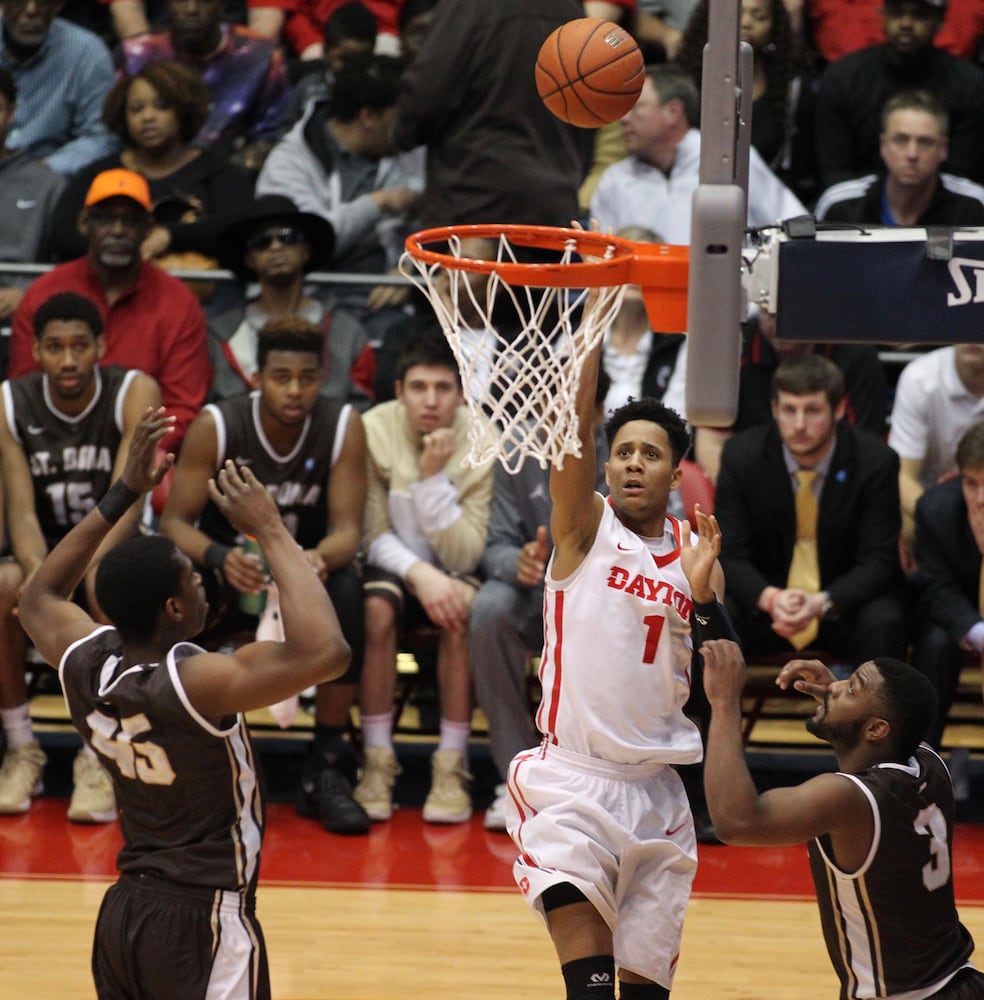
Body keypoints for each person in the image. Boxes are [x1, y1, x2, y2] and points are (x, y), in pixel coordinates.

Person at [18, 410, 351, 999]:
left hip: (123, 916)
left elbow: (40, 594)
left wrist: (126, 490)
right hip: (204, 918)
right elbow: (327, 652)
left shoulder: (87, 663)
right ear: (173, 610)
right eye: (193, 581)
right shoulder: (199, 682)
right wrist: (271, 530)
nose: (203, 583)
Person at [504, 311, 735, 999]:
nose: (634, 461)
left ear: (676, 472)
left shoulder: (699, 555)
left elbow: (726, 674)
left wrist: (702, 600)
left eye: (652, 453)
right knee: (589, 989)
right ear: (609, 463)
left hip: (660, 795)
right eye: (624, 450)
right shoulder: (583, 528)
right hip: (572, 784)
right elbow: (571, 431)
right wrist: (591, 327)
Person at [159, 317, 370, 836]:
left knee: (348, 588)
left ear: (322, 377)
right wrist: (217, 555)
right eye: (281, 377)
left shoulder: (343, 424)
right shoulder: (218, 423)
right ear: (257, 377)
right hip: (231, 570)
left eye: (306, 377)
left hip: (304, 574)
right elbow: (174, 521)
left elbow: (348, 532)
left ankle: (327, 764)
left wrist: (313, 560)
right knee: (180, 590)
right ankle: (189, 759)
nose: (294, 389)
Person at [699, 638, 984, 1000]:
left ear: (876, 729)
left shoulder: (849, 799)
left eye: (850, 688)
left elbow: (736, 822)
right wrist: (841, 700)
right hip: (966, 982)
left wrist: (723, 704)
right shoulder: (929, 763)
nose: (833, 687)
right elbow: (886, 725)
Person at [0, 291, 161, 821]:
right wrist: (39, 581)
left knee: (107, 589)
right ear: (36, 351)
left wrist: (86, 573)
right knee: (5, 591)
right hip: (44, 549)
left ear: (100, 346)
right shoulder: (9, 402)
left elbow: (129, 496)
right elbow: (21, 513)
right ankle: (23, 748)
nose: (67, 360)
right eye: (54, 348)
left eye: (78, 347)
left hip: (116, 541)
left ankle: (103, 754)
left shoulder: (133, 391)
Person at [354, 332, 493, 825]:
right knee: (375, 610)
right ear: (398, 390)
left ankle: (450, 766)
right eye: (418, 387)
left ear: (460, 395)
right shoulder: (371, 429)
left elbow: (468, 550)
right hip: (393, 561)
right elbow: (370, 534)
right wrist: (419, 575)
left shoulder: (484, 439)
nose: (431, 400)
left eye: (442, 388)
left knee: (459, 610)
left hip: (455, 570)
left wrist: (432, 480)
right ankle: (375, 761)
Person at [470, 369, 611, 832]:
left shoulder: (624, 455)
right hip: (537, 598)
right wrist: (519, 563)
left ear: (598, 413)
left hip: (603, 599)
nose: (558, 421)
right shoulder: (515, 451)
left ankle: (592, 779)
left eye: (571, 412)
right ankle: (516, 779)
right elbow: (495, 545)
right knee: (490, 607)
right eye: (550, 410)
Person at [714, 352, 908, 666]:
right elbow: (730, 553)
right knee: (718, 614)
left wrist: (820, 603)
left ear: (840, 409)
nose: (800, 424)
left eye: (813, 410)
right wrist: (772, 599)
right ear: (774, 409)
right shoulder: (742, 457)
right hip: (766, 606)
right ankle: (712, 716)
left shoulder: (876, 462)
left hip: (840, 605)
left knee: (885, 620)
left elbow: (879, 560)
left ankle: (878, 715)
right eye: (789, 410)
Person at [9, 168, 210, 452]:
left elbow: (181, 409)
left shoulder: (178, 301)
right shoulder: (45, 292)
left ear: (148, 229)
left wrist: (130, 456)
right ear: (83, 223)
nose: (117, 230)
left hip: (142, 457)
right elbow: (24, 392)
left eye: (130, 220)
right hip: (51, 451)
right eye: (105, 218)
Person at [391, 0, 593, 231]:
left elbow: (425, 99)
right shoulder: (571, 9)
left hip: (475, 203)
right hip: (554, 203)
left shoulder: (468, 7)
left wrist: (398, 135)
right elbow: (588, 109)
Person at [255, 52, 421, 323]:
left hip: (387, 307)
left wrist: (409, 269)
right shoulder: (289, 162)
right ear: (368, 116)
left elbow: (432, 224)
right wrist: (377, 203)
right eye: (398, 118)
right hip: (305, 309)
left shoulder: (409, 151)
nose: (406, 128)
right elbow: (312, 241)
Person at [49, 60, 256, 267]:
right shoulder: (98, 174)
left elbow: (238, 228)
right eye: (137, 109)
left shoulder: (219, 172)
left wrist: (170, 236)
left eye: (161, 107)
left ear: (182, 111)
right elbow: (65, 238)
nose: (148, 117)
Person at [665, 304, 890, 484]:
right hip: (752, 486)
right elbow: (710, 444)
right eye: (770, 314)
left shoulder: (857, 356)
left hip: (838, 487)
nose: (780, 325)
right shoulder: (733, 347)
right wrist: (741, 496)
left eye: (790, 313)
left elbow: (866, 452)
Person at [590, 63, 806, 245]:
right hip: (641, 294)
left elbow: (794, 228)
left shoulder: (730, 161)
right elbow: (601, 264)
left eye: (636, 107)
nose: (624, 118)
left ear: (673, 112)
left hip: (726, 292)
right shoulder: (614, 180)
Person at [210, 194, 375, 408]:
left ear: (306, 250)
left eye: (289, 237)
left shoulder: (348, 333)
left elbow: (361, 410)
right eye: (262, 242)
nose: (276, 247)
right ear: (249, 258)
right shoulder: (219, 333)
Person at [814, 0, 984, 190]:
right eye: (896, 12)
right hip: (856, 209)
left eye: (919, 15)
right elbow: (834, 171)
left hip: (942, 210)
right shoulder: (842, 78)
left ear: (940, 21)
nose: (906, 24)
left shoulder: (969, 85)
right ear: (883, 16)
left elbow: (960, 176)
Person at [119, 0, 291, 173]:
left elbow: (272, 138)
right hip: (149, 172)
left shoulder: (260, 55)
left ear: (222, 4)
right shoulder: (137, 56)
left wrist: (216, 176)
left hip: (232, 177)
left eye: (204, 1)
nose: (191, 9)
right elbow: (116, 135)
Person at [674, 0, 818, 205]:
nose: (746, 23)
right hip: (693, 197)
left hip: (766, 203)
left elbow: (800, 169)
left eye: (759, 17)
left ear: (773, 28)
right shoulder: (685, 82)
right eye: (739, 13)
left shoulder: (792, 88)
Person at [910, 421, 984, 750]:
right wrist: (977, 632)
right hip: (960, 617)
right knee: (936, 642)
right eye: (970, 483)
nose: (980, 498)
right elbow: (937, 587)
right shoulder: (936, 509)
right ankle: (921, 768)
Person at [815, 89, 984, 226]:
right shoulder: (840, 206)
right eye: (901, 140)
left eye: (925, 142)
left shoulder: (975, 207)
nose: (912, 154)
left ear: (943, 149)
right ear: (883, 145)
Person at [889, 343, 984, 558]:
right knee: (904, 524)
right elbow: (901, 477)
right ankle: (922, 587)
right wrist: (944, 518)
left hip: (980, 495)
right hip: (931, 498)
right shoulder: (919, 378)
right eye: (963, 324)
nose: (971, 339)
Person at [0, 0, 116, 176]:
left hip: (51, 183)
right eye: (19, 1)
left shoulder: (87, 53)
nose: (32, 10)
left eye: (43, 2)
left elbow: (102, 139)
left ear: (59, 4)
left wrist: (42, 171)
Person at [0, 65, 65, 325]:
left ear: (11, 114)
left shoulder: (48, 185)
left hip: (21, 323)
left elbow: (69, 268)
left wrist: (27, 293)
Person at [278, 0, 377, 129]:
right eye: (344, 59)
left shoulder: (375, 94)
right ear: (325, 52)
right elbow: (286, 128)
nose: (352, 67)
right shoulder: (308, 90)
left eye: (360, 60)